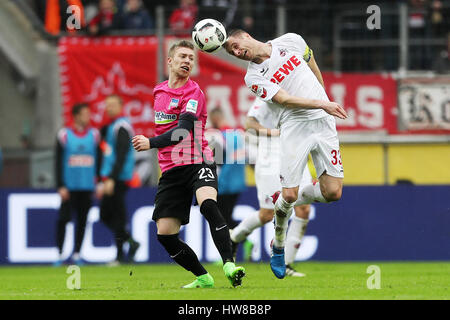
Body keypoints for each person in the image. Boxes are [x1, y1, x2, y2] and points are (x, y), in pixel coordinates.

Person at [224, 30, 347, 279]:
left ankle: (280, 200)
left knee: (333, 192)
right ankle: (278, 247)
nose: (237, 52)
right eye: (232, 53)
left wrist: (323, 97)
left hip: (323, 122)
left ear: (246, 36)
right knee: (289, 196)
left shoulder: (292, 40)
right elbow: (287, 100)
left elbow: (312, 65)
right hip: (293, 125)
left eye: (236, 45)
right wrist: (322, 103)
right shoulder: (253, 77)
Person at [132, 40, 245, 288]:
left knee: (208, 204)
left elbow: (183, 131)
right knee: (165, 234)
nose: (187, 61)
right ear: (170, 61)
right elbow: (166, 128)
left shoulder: (194, 93)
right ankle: (203, 277)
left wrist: (150, 143)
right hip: (171, 169)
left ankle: (229, 263)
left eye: (191, 58)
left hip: (198, 160)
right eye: (182, 56)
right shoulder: (159, 91)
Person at [230, 98, 313, 276]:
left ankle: (288, 263)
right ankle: (234, 237)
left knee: (304, 209)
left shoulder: (300, 93)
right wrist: (272, 132)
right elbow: (249, 123)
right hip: (271, 159)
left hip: (295, 158)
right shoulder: (269, 95)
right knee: (267, 214)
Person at [54, 103, 100, 266]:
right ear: (76, 116)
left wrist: (99, 182)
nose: (88, 117)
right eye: (84, 114)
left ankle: (77, 253)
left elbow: (99, 159)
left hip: (87, 186)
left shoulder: (94, 135)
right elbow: (58, 161)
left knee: (82, 221)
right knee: (64, 219)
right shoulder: (64, 135)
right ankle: (59, 253)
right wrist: (61, 185)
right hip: (69, 187)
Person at [98, 94, 140, 266]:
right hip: (113, 177)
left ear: (121, 106)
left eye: (113, 105)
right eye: (107, 105)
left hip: (118, 178)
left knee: (114, 215)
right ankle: (130, 243)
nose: (109, 108)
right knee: (109, 215)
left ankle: (120, 255)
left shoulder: (121, 127)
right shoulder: (113, 126)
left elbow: (122, 155)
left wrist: (112, 179)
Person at [209, 107, 246, 231]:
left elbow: (216, 162)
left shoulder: (218, 137)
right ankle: (237, 242)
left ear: (214, 119)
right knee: (226, 217)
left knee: (222, 219)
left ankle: (239, 241)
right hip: (237, 184)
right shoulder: (238, 134)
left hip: (223, 184)